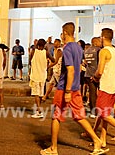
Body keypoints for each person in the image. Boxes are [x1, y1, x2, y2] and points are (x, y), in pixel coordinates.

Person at [40, 22, 107, 155]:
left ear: (64, 33)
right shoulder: (78, 48)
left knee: (56, 116)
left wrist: (68, 91)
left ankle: (53, 148)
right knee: (79, 117)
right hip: (76, 87)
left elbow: (70, 70)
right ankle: (96, 140)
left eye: (62, 33)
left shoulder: (68, 49)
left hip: (65, 88)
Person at [29, 38, 53, 119]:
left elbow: (30, 62)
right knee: (40, 94)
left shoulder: (33, 51)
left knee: (36, 93)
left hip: (35, 75)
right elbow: (53, 60)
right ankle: (38, 110)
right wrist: (47, 66)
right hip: (43, 75)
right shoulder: (46, 53)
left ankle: (38, 111)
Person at [84, 36, 102, 118]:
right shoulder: (98, 50)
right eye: (99, 41)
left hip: (88, 74)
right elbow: (100, 63)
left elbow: (86, 63)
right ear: (95, 42)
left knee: (92, 93)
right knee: (100, 93)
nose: (100, 43)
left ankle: (93, 111)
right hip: (96, 74)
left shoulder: (87, 50)